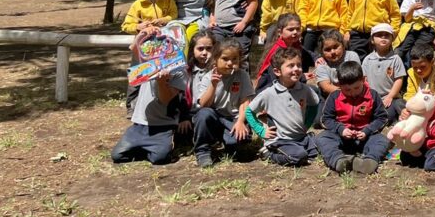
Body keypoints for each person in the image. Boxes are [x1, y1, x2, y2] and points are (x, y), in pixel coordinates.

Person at [245, 47, 321, 166]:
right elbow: (249, 112)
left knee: (317, 150)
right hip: (280, 140)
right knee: (298, 156)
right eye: (291, 66)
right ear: (277, 71)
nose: (297, 69)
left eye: (299, 65)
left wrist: (307, 124)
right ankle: (269, 154)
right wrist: (261, 131)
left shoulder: (305, 89)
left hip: (300, 136)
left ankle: (302, 146)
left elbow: (314, 104)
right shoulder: (269, 93)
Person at [316, 61, 392, 175]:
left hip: (365, 137)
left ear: (363, 80)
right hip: (341, 137)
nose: (352, 93)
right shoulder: (334, 97)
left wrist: (367, 130)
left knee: (382, 140)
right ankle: (339, 161)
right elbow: (326, 119)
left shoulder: (373, 95)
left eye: (356, 88)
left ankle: (369, 162)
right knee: (322, 138)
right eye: (347, 90)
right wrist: (341, 129)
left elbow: (382, 118)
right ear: (339, 85)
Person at [191, 39, 254, 167]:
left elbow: (245, 101)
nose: (230, 63)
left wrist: (241, 121)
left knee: (236, 144)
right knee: (203, 114)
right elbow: (203, 104)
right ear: (215, 59)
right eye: (225, 59)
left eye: (234, 59)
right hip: (215, 118)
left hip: (233, 119)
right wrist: (213, 85)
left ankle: (228, 142)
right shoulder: (208, 77)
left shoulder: (242, 75)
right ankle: (202, 151)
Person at [111, 61, 188, 165]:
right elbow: (134, 48)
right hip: (139, 124)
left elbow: (165, 100)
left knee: (160, 158)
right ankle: (146, 149)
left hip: (163, 126)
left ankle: (156, 148)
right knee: (117, 155)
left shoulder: (179, 69)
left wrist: (162, 83)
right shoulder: (147, 63)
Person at [255, 13, 314, 92]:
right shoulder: (277, 52)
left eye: (298, 29)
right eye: (291, 29)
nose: (295, 32)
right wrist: (302, 77)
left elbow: (308, 54)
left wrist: (318, 58)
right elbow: (276, 79)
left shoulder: (296, 45)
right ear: (280, 32)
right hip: (272, 89)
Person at [362, 23, 408, 123]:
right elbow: (364, 80)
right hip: (372, 97)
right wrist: (370, 96)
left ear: (392, 39)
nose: (383, 37)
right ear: (372, 40)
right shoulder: (368, 59)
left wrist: (390, 96)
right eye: (379, 35)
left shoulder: (395, 59)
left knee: (391, 112)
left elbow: (399, 79)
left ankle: (396, 117)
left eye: (387, 35)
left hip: (390, 97)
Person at [313, 30, 361, 97]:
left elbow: (358, 78)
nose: (332, 52)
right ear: (321, 52)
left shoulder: (351, 56)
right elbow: (326, 87)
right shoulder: (321, 64)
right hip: (331, 97)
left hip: (355, 94)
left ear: (343, 45)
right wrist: (347, 93)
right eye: (327, 49)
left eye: (335, 47)